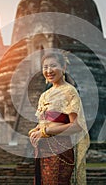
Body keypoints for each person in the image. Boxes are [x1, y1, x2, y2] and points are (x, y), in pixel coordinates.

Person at [29, 52, 90, 185]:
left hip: (60, 149)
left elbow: (76, 126)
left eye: (53, 66)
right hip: (42, 149)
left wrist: (45, 132)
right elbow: (43, 123)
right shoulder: (44, 95)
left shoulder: (69, 91)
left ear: (63, 68)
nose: (49, 70)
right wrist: (35, 132)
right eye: (45, 67)